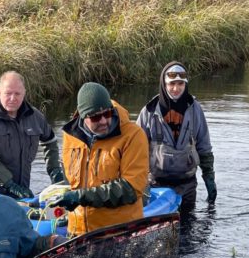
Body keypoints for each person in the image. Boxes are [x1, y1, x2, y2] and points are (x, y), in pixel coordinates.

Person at [51, 82, 149, 236]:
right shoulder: (70, 136)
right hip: (77, 233)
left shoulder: (133, 135)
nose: (103, 121)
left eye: (108, 113)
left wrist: (80, 197)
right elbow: (70, 182)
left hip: (120, 233)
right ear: (83, 116)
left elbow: (131, 189)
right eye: (96, 117)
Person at [136, 61, 216, 211]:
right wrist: (140, 184)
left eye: (180, 84)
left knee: (188, 225)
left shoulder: (195, 109)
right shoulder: (148, 112)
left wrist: (209, 179)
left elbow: (204, 147)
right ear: (163, 84)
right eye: (171, 83)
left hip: (187, 184)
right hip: (156, 185)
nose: (176, 88)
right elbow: (135, 151)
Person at [0, 71, 64, 199]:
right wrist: (9, 184)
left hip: (24, 192)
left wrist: (54, 171)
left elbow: (50, 141)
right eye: (8, 93)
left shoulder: (35, 116)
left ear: (24, 93)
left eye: (17, 94)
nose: (12, 98)